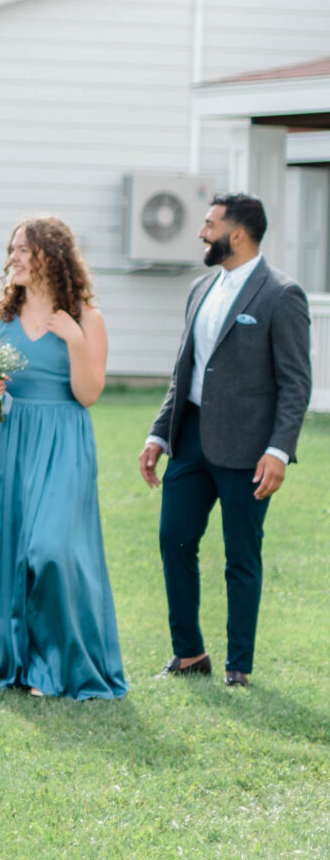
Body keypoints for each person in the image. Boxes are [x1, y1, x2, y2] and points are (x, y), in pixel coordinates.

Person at [139, 193, 311, 687]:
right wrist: (159, 433)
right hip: (189, 440)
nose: (201, 232)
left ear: (237, 234)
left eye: (210, 224)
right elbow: (183, 372)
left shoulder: (282, 294)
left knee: (241, 556)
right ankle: (189, 654)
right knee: (174, 540)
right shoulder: (199, 289)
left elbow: (296, 383)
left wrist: (278, 451)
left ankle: (239, 665)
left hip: (249, 452)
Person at [0, 217, 125, 699]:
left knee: (52, 551)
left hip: (63, 440)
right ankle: (15, 662)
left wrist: (75, 340)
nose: (13, 257)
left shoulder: (86, 317)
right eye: (12, 248)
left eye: (24, 249)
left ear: (51, 257)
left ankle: (58, 665)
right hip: (9, 438)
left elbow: (89, 394)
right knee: (9, 552)